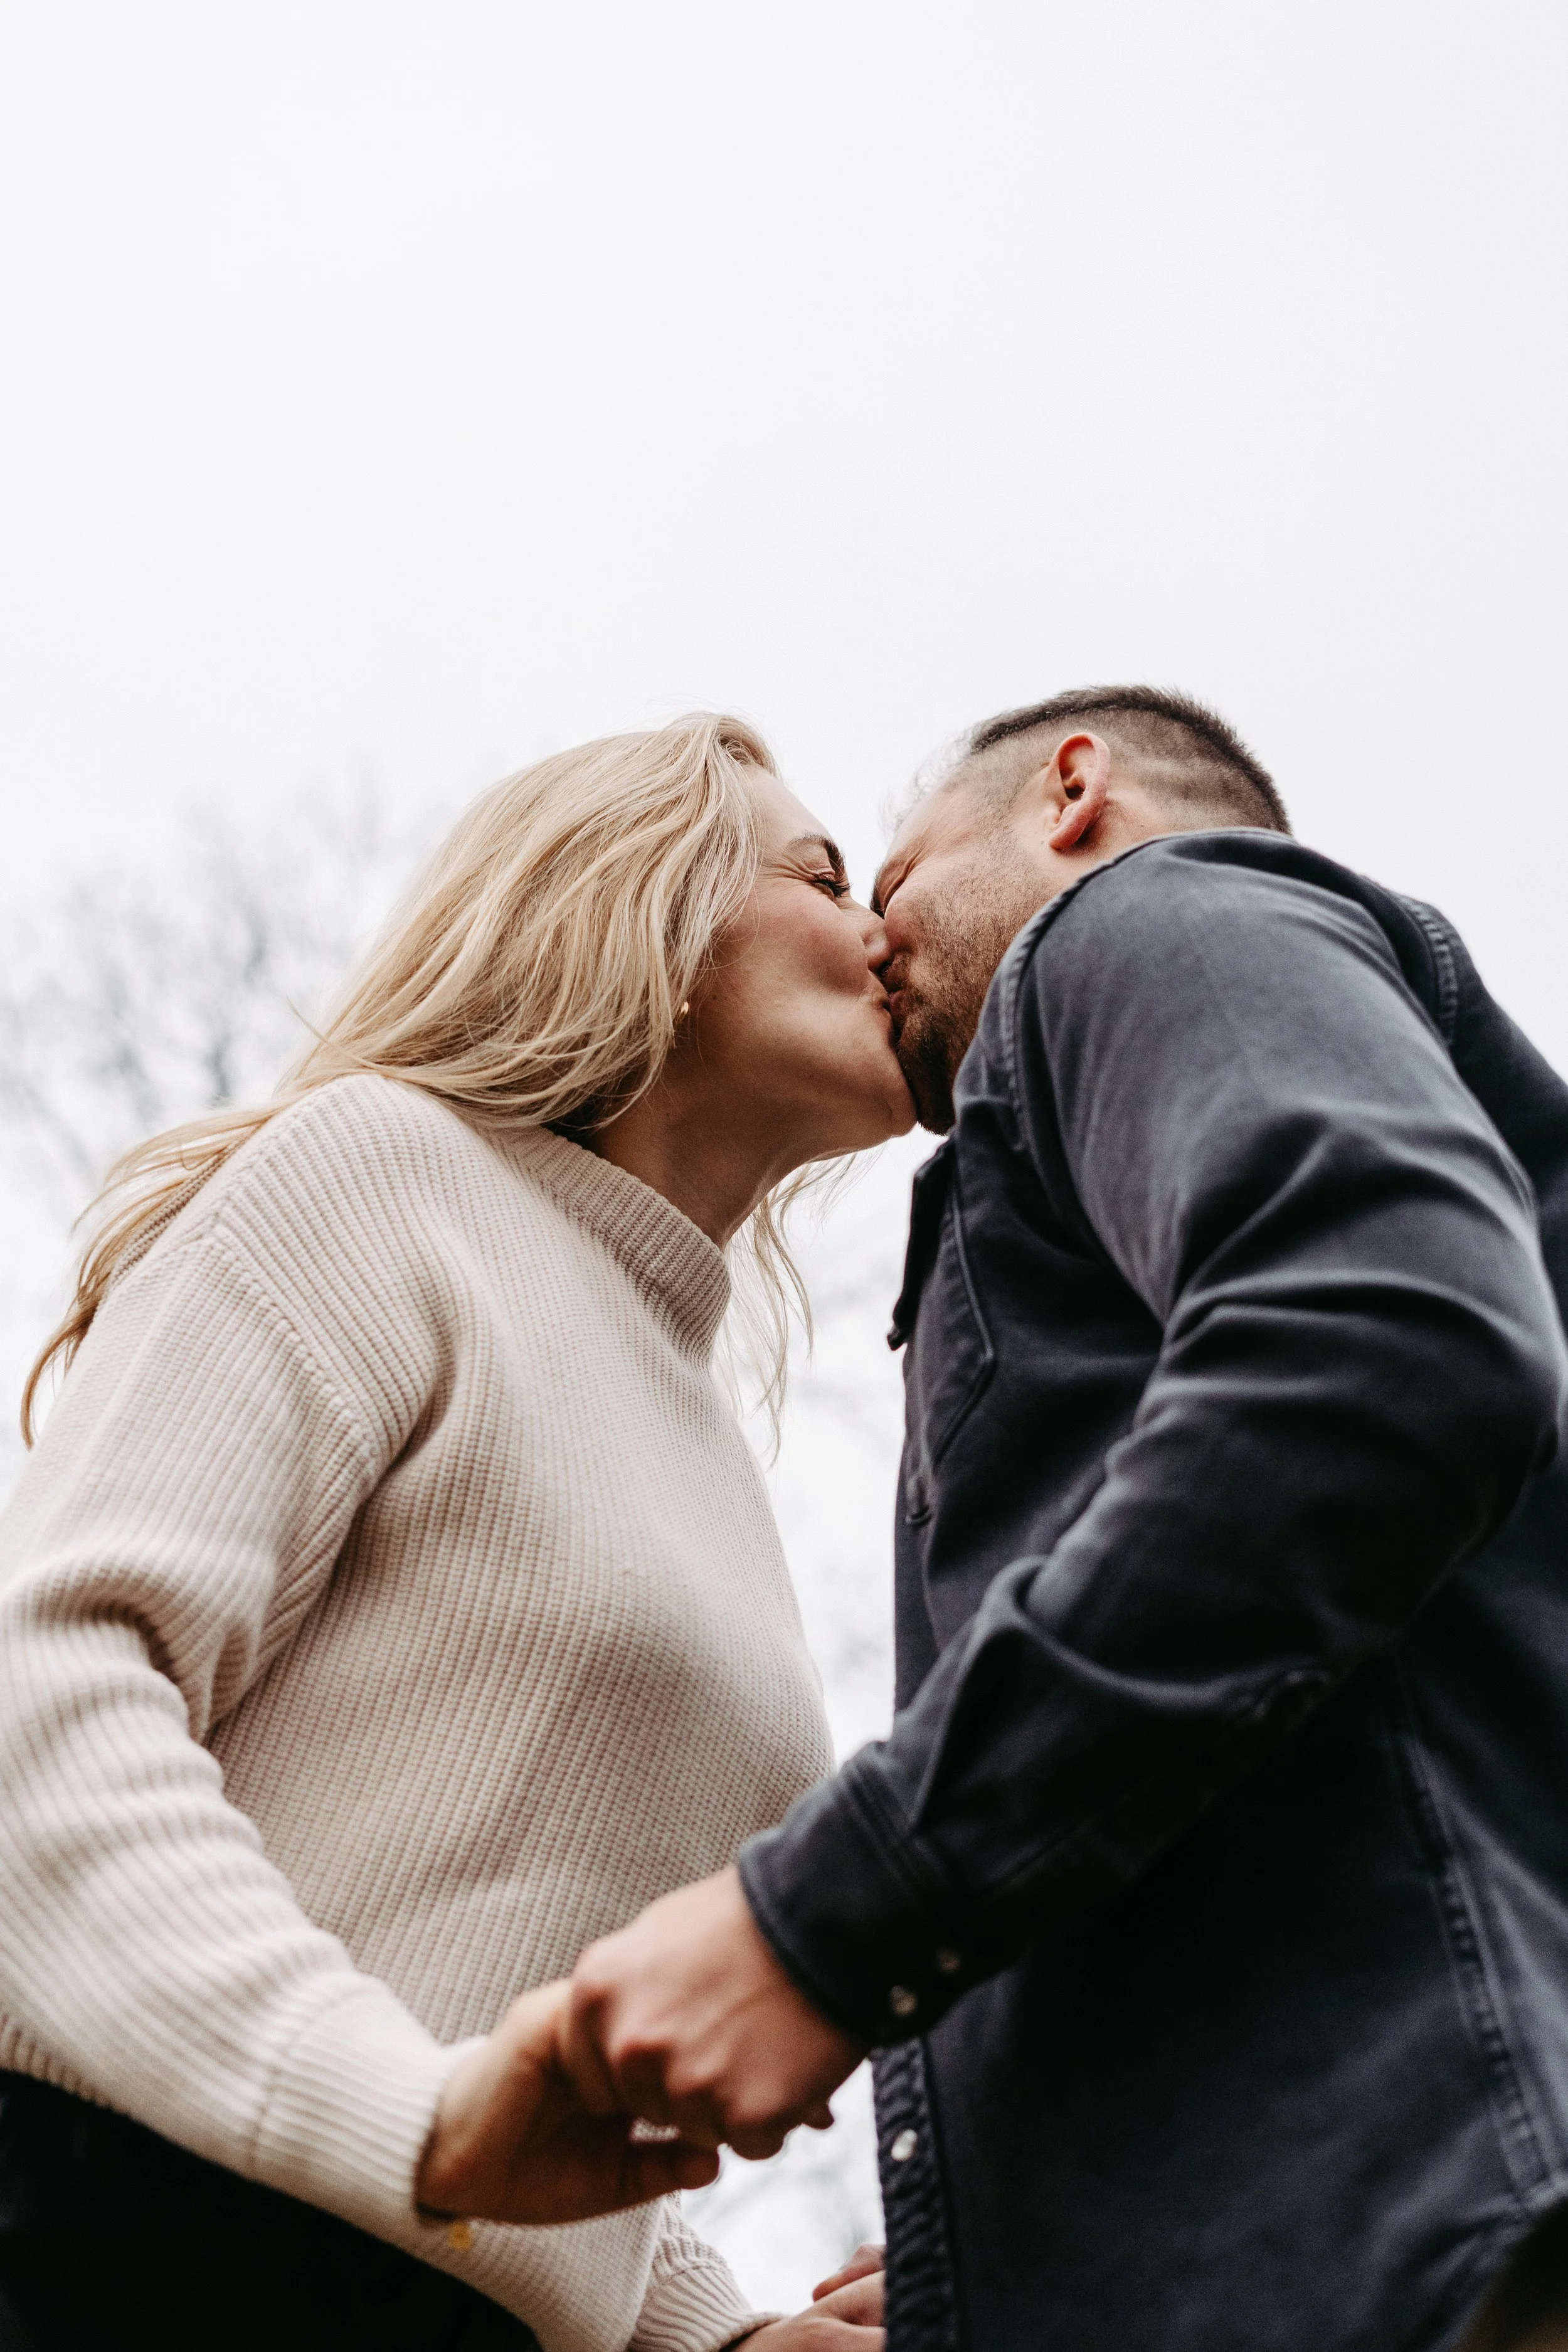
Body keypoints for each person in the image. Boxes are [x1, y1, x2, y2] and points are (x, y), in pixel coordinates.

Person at [561, 686, 1568, 2352]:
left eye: (890, 882)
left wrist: (823, 1924)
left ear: (1072, 794)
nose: (872, 946)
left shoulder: (1144, 914)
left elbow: (1384, 1338)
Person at [0, 713, 904, 2352]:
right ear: (640, 902)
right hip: (126, 2246)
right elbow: (40, 1705)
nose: (883, 931)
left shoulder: (712, 1449)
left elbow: (507, 2034)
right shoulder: (381, 1175)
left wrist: (713, 2336)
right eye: (826, 876)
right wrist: (409, 2123)